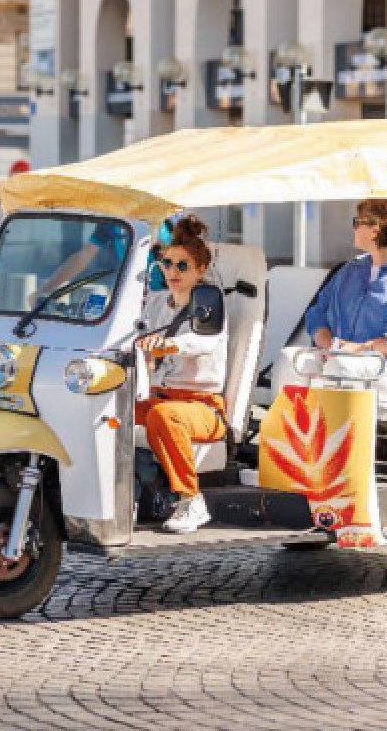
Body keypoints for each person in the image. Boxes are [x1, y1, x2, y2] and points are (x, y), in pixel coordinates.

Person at [273, 198, 387, 409]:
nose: (353, 227)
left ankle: (335, 438)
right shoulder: (349, 271)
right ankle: (293, 435)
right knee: (290, 360)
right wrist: (329, 346)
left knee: (342, 366)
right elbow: (317, 314)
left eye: (357, 222)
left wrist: (357, 350)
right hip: (339, 357)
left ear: (376, 229)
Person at [134, 216, 228, 535]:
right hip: (160, 397)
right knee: (106, 411)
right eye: (167, 263)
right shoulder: (157, 304)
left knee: (164, 415)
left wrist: (168, 345)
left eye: (182, 266)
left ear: (200, 270)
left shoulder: (210, 305)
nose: (172, 272)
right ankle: (121, 496)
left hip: (204, 408)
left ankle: (191, 499)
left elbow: (203, 341)